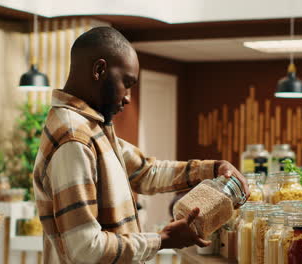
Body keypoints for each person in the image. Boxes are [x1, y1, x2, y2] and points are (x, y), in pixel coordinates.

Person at [33, 26, 250, 264]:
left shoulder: (92, 127)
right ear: (99, 70)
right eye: (126, 83)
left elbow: (147, 172)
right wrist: (162, 240)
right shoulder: (74, 138)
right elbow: (85, 248)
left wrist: (215, 168)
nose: (127, 97)